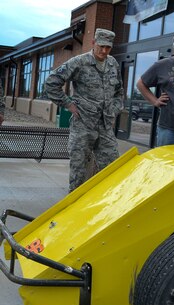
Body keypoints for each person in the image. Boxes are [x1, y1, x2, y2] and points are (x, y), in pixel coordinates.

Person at [45, 28, 123, 192]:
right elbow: (51, 83)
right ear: (93, 43)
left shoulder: (113, 64)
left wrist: (114, 110)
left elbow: (119, 92)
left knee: (114, 169)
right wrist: (68, 104)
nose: (103, 51)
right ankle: (74, 208)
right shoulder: (78, 62)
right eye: (101, 46)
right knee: (78, 173)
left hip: (105, 126)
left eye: (107, 47)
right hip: (83, 125)